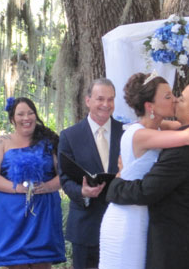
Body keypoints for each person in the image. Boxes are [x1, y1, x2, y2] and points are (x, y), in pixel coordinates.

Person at [99, 73, 189, 269]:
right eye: (169, 96)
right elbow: (188, 135)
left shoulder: (166, 132)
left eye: (178, 97)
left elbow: (187, 131)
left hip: (150, 219)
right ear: (150, 106)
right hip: (128, 215)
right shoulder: (141, 134)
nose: (174, 100)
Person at [0, 97, 65, 268]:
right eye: (20, 114)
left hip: (43, 212)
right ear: (12, 118)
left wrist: (48, 186)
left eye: (30, 113)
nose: (26, 118)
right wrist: (17, 188)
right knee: (16, 263)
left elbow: (64, 175)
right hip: (12, 213)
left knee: (42, 263)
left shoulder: (50, 142)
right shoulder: (1, 142)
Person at [58, 78, 124, 269]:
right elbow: (65, 178)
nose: (106, 104)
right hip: (85, 226)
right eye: (100, 99)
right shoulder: (70, 136)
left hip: (120, 224)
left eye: (110, 99)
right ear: (88, 100)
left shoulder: (126, 133)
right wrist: (82, 192)